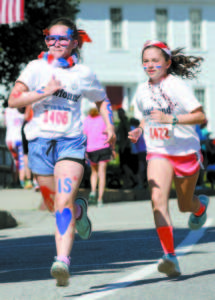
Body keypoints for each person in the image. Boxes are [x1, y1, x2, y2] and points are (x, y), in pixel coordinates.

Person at [8, 17, 116, 287]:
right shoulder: (35, 67)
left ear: (74, 42)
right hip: (39, 143)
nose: (55, 43)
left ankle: (62, 261)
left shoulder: (83, 73)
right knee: (50, 203)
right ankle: (79, 212)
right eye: (50, 38)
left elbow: (102, 100)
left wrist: (110, 125)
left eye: (62, 38)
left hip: (71, 142)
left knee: (63, 201)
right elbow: (13, 99)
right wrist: (43, 92)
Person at [128, 40, 208, 277]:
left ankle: (200, 206)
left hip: (185, 152)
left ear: (167, 63)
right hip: (158, 151)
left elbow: (200, 116)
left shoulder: (176, 86)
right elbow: (146, 116)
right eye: (145, 61)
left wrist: (171, 120)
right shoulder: (141, 90)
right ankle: (169, 255)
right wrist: (140, 130)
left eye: (155, 60)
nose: (150, 65)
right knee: (157, 199)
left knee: (185, 205)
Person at [83, 107, 114, 207]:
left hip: (91, 148)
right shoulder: (104, 119)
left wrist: (84, 150)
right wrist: (112, 148)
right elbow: (110, 134)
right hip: (103, 147)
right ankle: (100, 199)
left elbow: (84, 135)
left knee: (94, 172)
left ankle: (93, 191)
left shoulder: (87, 120)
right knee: (102, 174)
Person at [4, 106, 25, 188]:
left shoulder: (7, 110)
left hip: (9, 139)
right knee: (21, 161)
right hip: (18, 138)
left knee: (14, 161)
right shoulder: (21, 112)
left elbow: (5, 123)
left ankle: (14, 181)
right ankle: (21, 182)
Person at [117, 108, 137, 188]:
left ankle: (134, 180)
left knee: (125, 166)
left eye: (120, 113)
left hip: (125, 148)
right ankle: (128, 182)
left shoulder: (125, 122)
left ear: (124, 113)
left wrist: (124, 145)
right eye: (118, 113)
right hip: (122, 146)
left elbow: (129, 135)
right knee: (123, 166)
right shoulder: (121, 122)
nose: (119, 115)